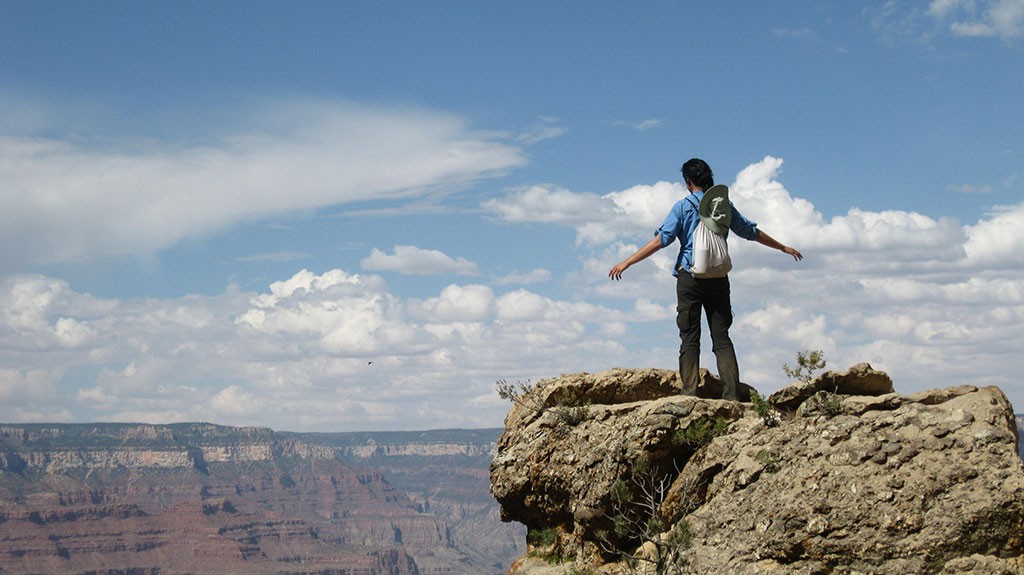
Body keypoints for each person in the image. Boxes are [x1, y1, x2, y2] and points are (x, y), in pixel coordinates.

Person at [608, 158, 803, 401]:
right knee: (722, 338)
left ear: (688, 181)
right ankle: (731, 395)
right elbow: (750, 231)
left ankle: (689, 394)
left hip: (690, 277)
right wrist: (782, 247)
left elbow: (661, 240)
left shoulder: (683, 207)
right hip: (718, 277)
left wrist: (627, 262)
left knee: (689, 337)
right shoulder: (723, 206)